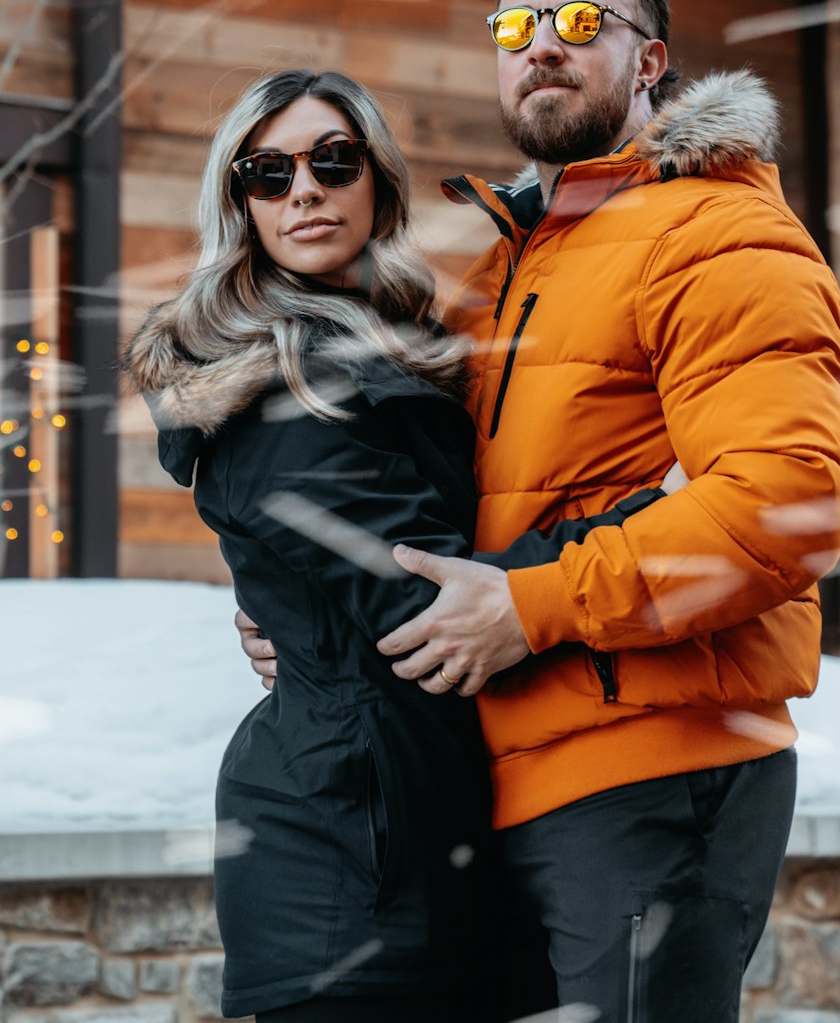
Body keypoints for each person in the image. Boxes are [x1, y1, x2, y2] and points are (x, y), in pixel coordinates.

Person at [239, 0, 840, 1023]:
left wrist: (535, 603)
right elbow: (461, 512)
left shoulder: (717, 235)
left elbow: (787, 504)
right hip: (513, 773)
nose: (542, 44)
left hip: (655, 769)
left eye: (580, 19)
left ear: (649, 60)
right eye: (516, 21)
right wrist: (312, 611)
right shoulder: (508, 265)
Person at [123, 69, 498, 1023]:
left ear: (378, 179)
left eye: (334, 161)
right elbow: (424, 606)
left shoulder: (394, 346)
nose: (305, 190)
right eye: (267, 171)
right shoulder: (284, 390)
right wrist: (629, 530)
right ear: (240, 201)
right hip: (348, 863)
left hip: (397, 822)